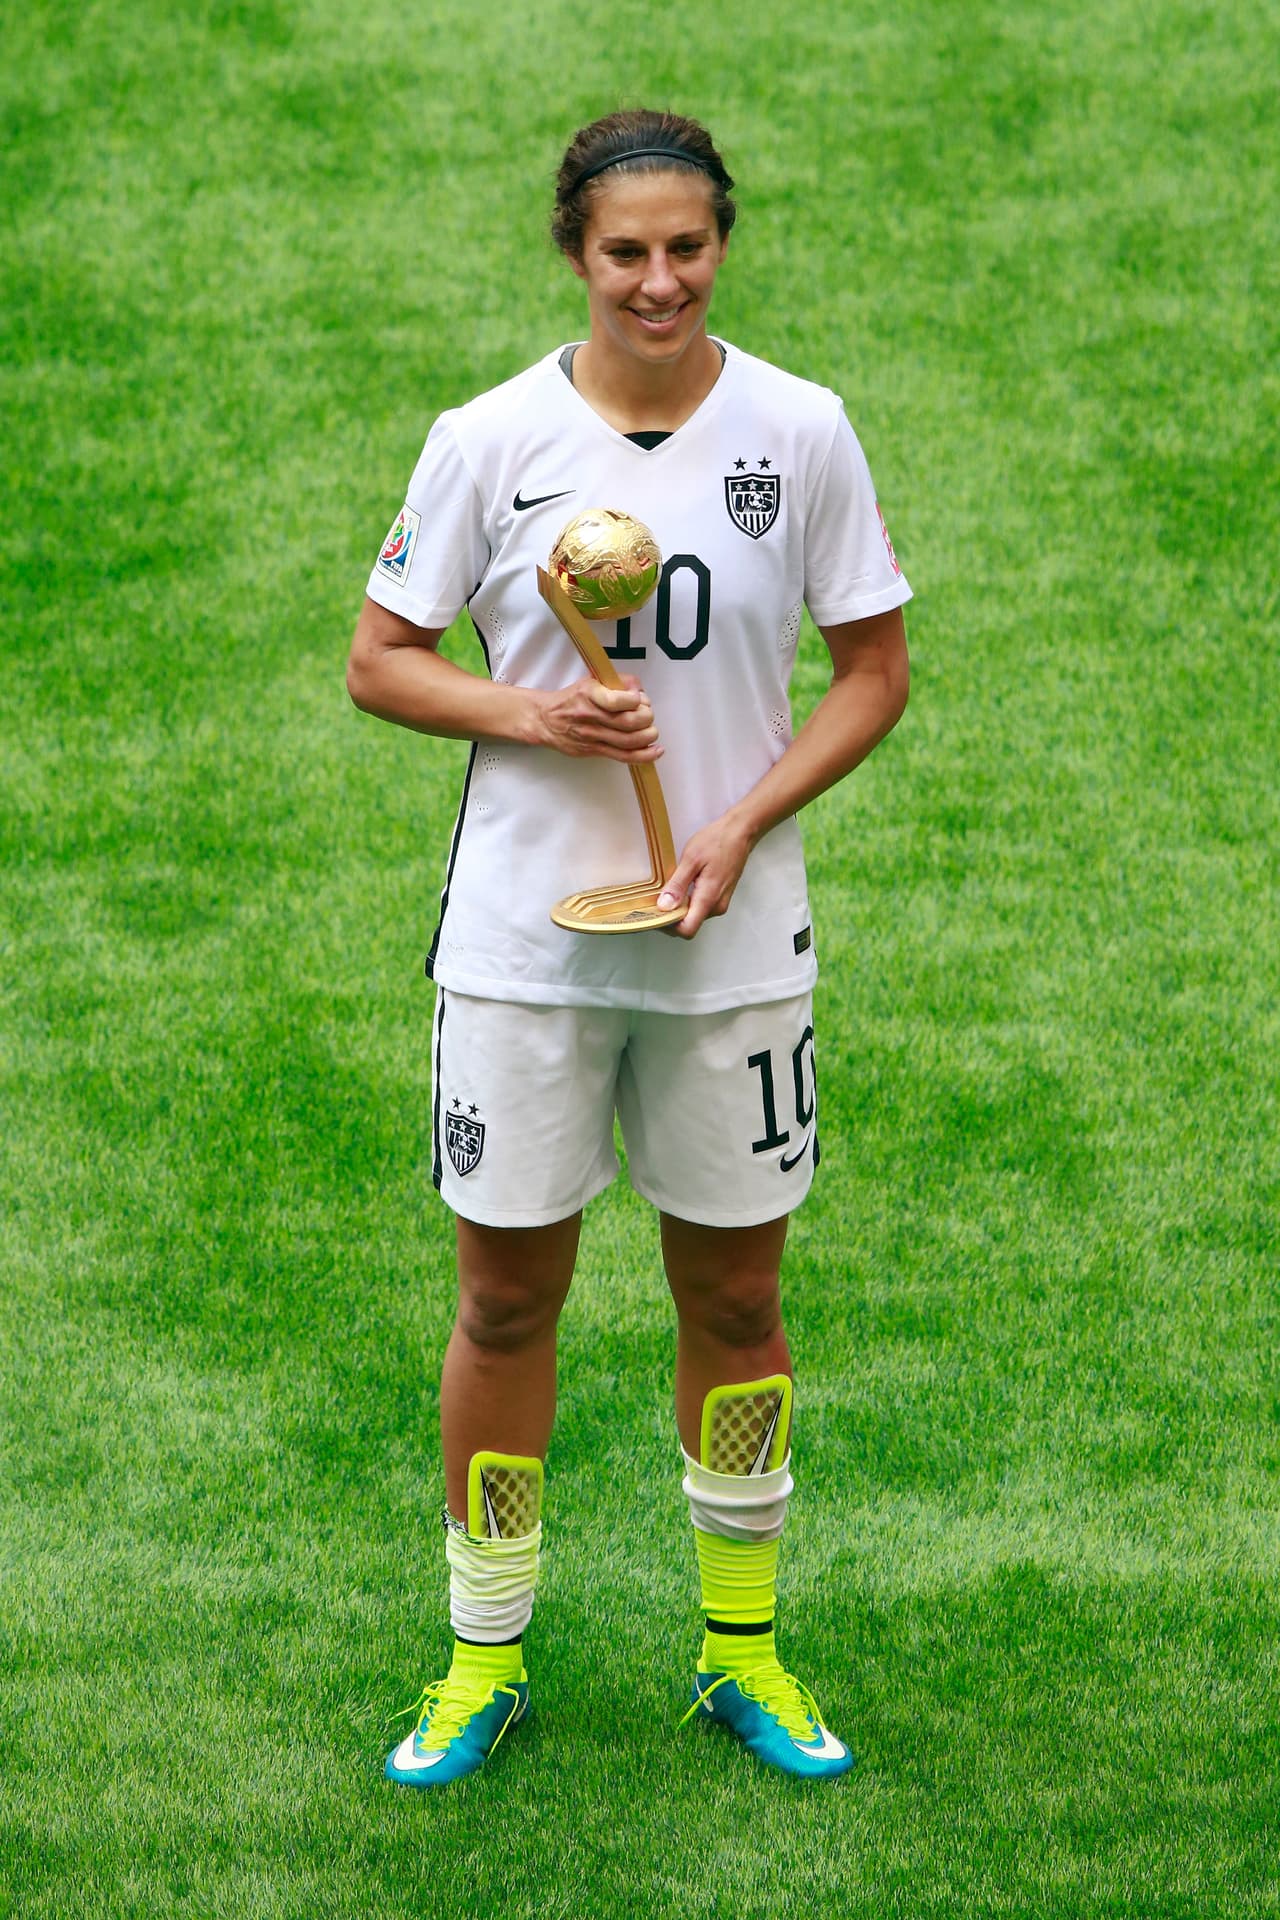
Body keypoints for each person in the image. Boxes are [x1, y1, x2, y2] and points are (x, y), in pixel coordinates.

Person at [346, 108, 911, 1788]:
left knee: (738, 1292)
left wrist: (737, 824)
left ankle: (743, 1650)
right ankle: (481, 1655)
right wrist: (533, 710)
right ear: (573, 255)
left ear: (721, 243)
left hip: (732, 948)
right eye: (625, 252)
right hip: (522, 950)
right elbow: (382, 659)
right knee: (507, 1304)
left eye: (688, 247)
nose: (659, 280)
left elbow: (871, 671)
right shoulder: (489, 438)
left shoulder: (800, 431)